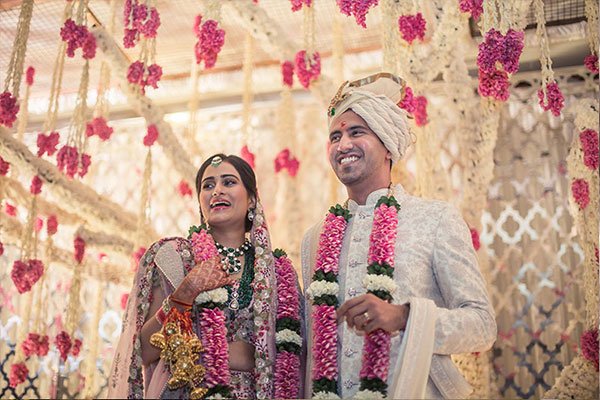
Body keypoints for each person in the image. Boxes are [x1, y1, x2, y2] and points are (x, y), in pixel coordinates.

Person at [301, 73, 497, 399]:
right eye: (335, 136)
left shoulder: (435, 219)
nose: (343, 144)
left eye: (356, 132)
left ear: (388, 145)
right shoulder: (315, 237)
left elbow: (482, 326)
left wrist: (404, 317)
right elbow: (311, 342)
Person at [108, 154, 303, 399]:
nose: (217, 191)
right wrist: (185, 294)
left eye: (229, 182)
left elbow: (298, 356)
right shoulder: (175, 257)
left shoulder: (278, 272)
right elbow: (142, 351)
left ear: (252, 199)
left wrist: (255, 355)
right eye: (208, 186)